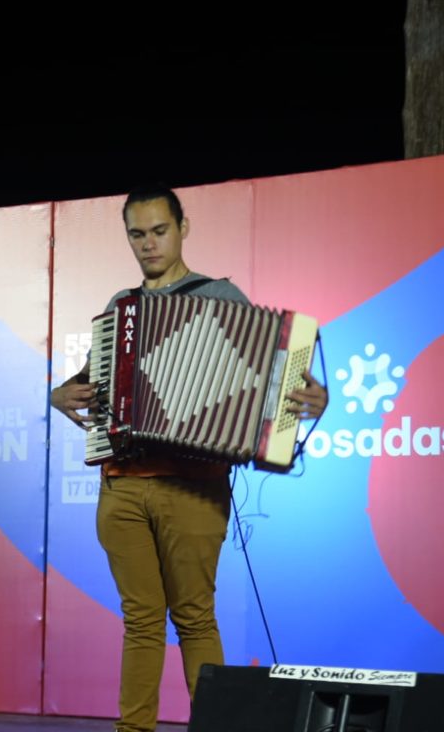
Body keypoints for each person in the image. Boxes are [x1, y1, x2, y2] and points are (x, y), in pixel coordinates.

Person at [50, 186, 327, 731]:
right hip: (122, 485)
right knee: (141, 621)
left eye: (159, 230)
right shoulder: (119, 309)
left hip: (194, 486)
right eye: (137, 234)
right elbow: (89, 384)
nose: (149, 244)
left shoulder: (220, 294)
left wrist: (312, 396)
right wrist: (61, 393)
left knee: (196, 618)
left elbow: (279, 369)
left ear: (182, 228)